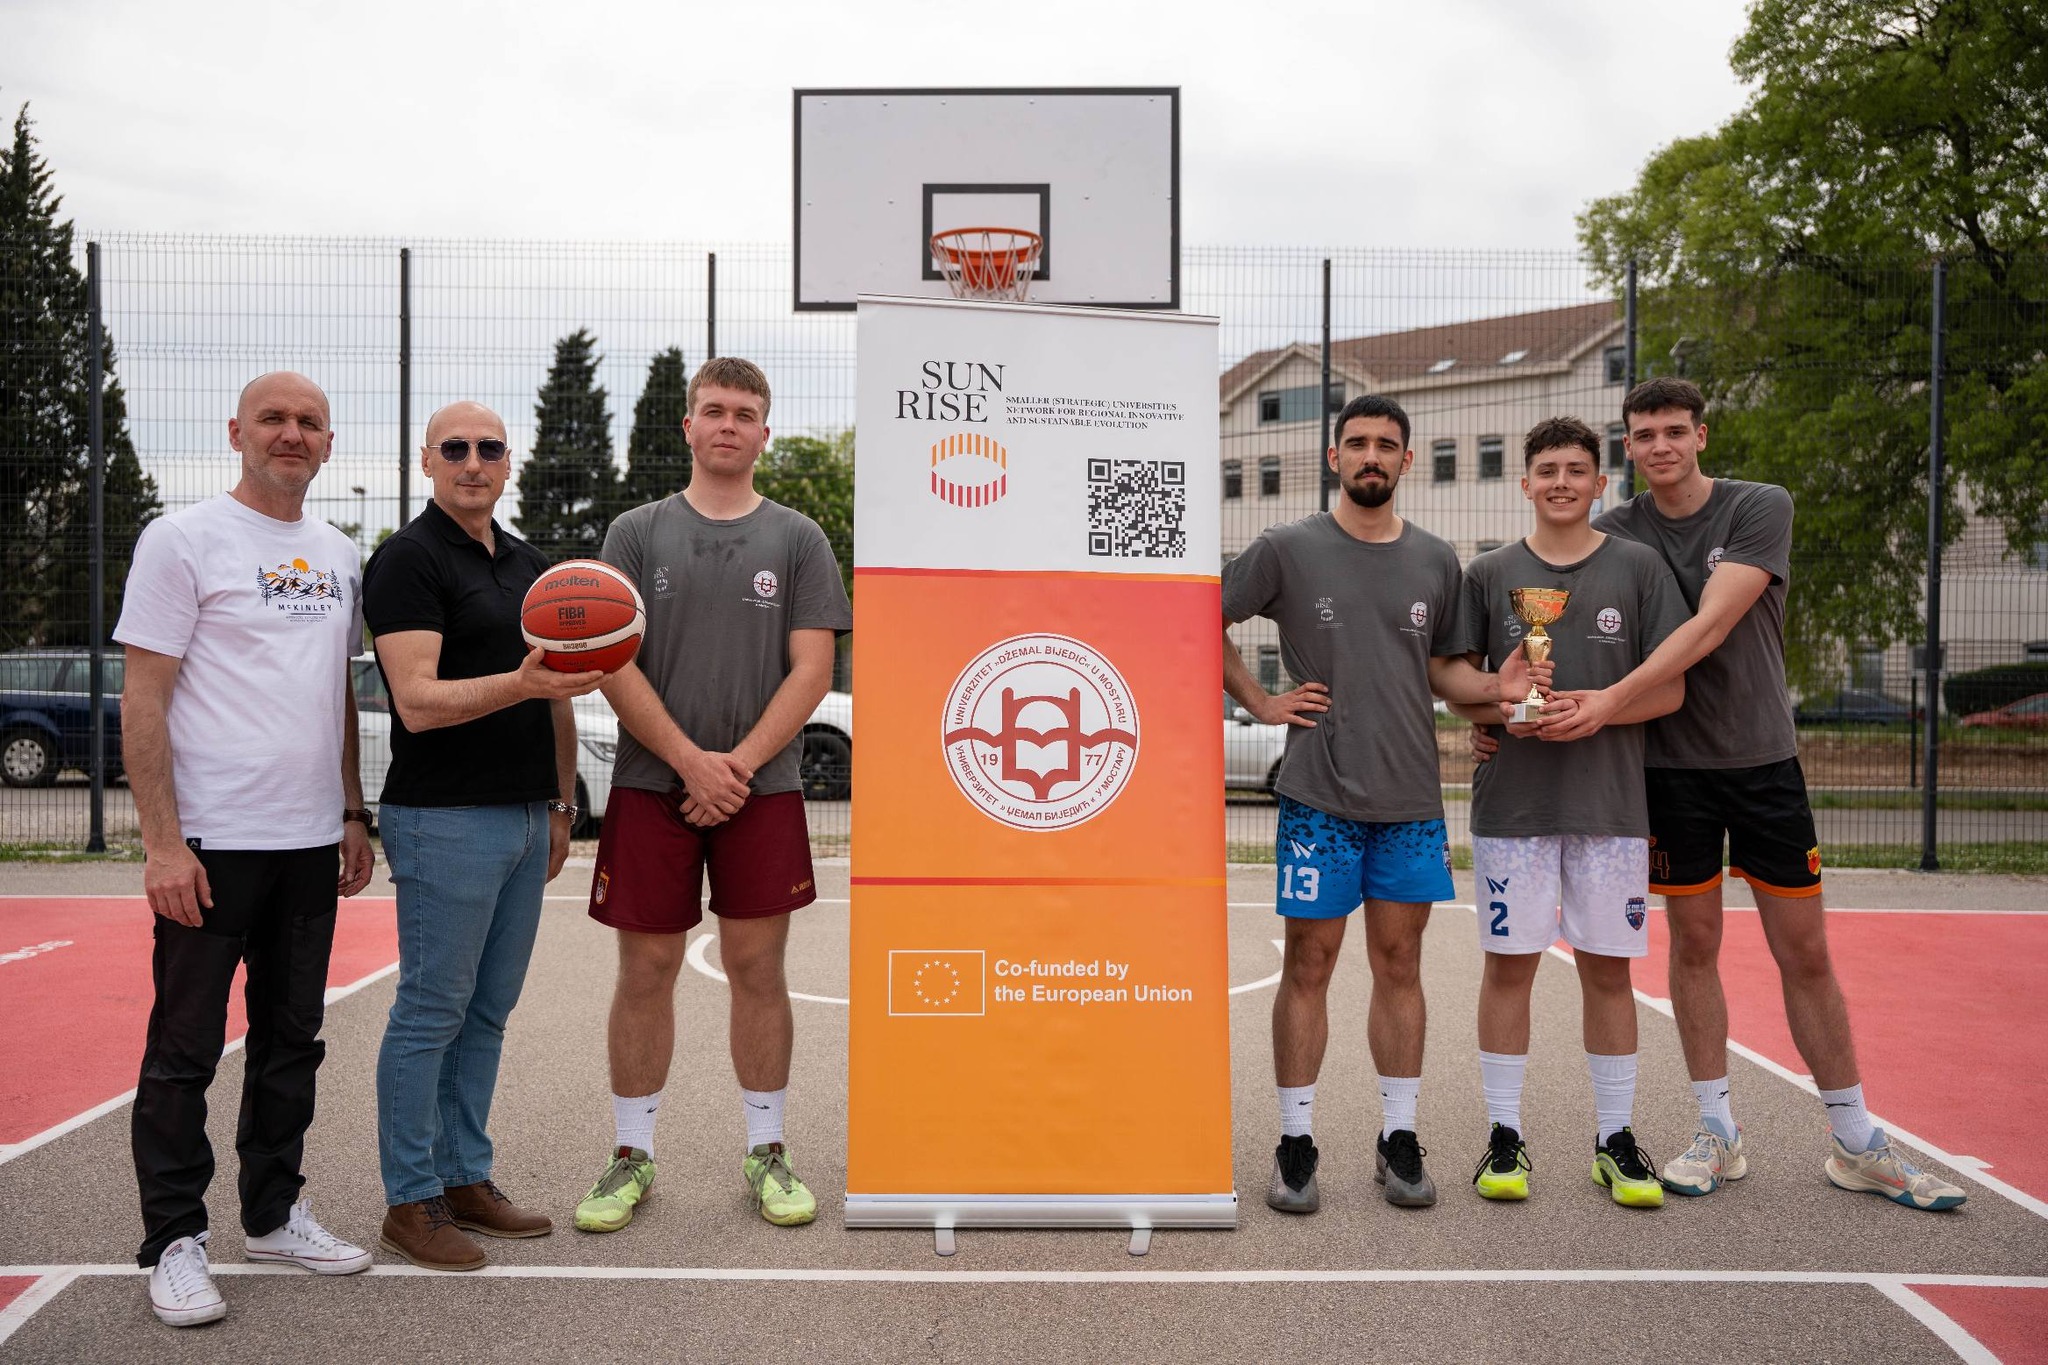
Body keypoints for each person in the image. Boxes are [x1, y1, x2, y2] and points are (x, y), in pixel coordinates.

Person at [1516, 376, 1966, 1211]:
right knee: (1693, 946)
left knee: (1805, 952)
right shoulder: (1616, 533)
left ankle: (1856, 1141)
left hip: (1762, 764)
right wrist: (1506, 711)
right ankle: (1717, 1131)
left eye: (1674, 430)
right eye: (1644, 434)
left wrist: (1608, 701)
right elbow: (1568, 633)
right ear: (1629, 447)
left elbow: (1711, 625)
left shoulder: (1759, 506)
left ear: (1702, 435)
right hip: (1670, 770)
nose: (1660, 445)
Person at [116, 371, 376, 1327]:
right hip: (211, 844)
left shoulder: (340, 552)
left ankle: (271, 1213)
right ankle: (173, 1239)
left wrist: (351, 811)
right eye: (274, 418)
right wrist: (161, 843)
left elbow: (335, 694)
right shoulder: (181, 539)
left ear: (329, 442)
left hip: (308, 843)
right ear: (237, 432)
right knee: (185, 1049)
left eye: (310, 421)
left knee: (290, 1042)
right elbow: (144, 697)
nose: (291, 433)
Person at [1223, 394, 1526, 1214]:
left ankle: (1399, 1136)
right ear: (1334, 457)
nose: (1370, 456)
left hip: (1409, 800)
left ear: (1406, 460)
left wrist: (1496, 693)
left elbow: (1446, 672)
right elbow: (1201, 614)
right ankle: (1295, 1142)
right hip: (1318, 796)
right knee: (1309, 964)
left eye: (1385, 445)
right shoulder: (1286, 547)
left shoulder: (1435, 559)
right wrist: (1259, 699)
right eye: (1356, 443)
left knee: (1400, 964)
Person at [574, 357, 852, 1232]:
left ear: (765, 432)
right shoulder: (636, 532)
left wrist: (733, 767)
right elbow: (609, 660)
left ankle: (768, 1149)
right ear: (688, 426)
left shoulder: (798, 538)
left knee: (757, 968)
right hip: (652, 782)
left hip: (760, 790)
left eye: (744, 412)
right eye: (713, 410)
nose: (728, 424)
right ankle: (630, 1154)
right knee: (646, 969)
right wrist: (690, 760)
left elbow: (813, 669)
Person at [362, 402, 606, 1269]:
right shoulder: (408, 559)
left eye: (489, 448)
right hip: (443, 817)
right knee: (431, 1010)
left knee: (487, 1013)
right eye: (456, 448)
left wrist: (561, 806)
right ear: (427, 460)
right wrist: (522, 681)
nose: (473, 461)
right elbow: (418, 703)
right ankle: (410, 1199)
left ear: (509, 462)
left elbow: (558, 692)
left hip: (522, 815)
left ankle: (464, 1175)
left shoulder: (533, 567)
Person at [1446, 417, 1688, 1209]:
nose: (1561, 482)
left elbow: (1672, 686)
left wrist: (1598, 710)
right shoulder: (1489, 574)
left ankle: (1615, 1138)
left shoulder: (1639, 567)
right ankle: (1503, 1134)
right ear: (1525, 483)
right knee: (1508, 967)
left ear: (1600, 482)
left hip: (1609, 806)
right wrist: (1495, 707)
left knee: (1609, 972)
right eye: (1547, 469)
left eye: (1576, 469)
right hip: (1514, 808)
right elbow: (1456, 682)